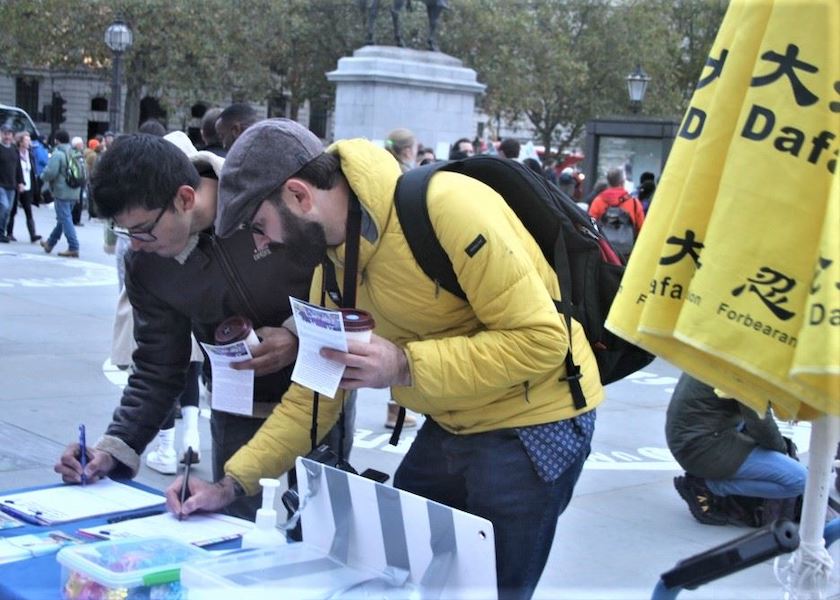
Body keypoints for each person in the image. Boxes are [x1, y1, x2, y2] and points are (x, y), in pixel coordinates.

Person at [169, 119, 603, 599]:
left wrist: (403, 365)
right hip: (454, 417)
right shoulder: (332, 269)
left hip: (536, 421)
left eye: (258, 225)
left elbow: (543, 341)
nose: (261, 244)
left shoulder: (447, 207)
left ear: (298, 195)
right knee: (400, 575)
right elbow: (314, 394)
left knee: (487, 589)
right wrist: (230, 484)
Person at [52, 132, 323, 519]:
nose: (137, 244)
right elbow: (157, 367)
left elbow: (343, 283)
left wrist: (298, 336)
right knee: (232, 526)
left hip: (319, 395)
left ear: (184, 198)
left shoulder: (265, 200)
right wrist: (112, 449)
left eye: (144, 229)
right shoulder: (147, 266)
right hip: (238, 406)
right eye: (125, 233)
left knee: (322, 525)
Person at [667, 373, 807, 525]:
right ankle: (708, 486)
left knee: (748, 424)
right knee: (801, 480)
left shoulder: (731, 352)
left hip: (688, 436)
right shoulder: (748, 367)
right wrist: (783, 452)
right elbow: (761, 425)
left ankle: (712, 478)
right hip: (701, 447)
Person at [40, 129, 81, 258]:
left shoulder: (58, 153)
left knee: (65, 219)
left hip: (62, 192)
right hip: (75, 191)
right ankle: (50, 243)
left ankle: (73, 246)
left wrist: (41, 176)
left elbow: (51, 172)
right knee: (63, 219)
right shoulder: (75, 152)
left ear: (57, 140)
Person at [5, 131, 41, 242]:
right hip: (16, 185)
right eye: (26, 140)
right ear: (20, 142)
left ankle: (33, 234)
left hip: (28, 185)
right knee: (13, 210)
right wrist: (17, 182)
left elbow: (32, 170)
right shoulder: (15, 153)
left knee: (28, 209)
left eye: (29, 139)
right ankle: (9, 233)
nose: (29, 141)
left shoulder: (29, 154)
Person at [0, 125, 24, 243]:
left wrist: (21, 182)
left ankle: (2, 232)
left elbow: (18, 167)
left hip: (12, 184)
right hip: (1, 185)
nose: (7, 136)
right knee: (3, 207)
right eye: (5, 134)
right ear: (1, 134)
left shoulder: (14, 149)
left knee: (8, 210)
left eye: (9, 134)